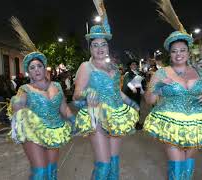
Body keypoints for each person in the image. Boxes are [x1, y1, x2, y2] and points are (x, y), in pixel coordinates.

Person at [143, 1, 202, 179]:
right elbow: (149, 100)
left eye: (182, 50)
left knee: (188, 167)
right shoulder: (161, 73)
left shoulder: (201, 72)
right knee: (177, 166)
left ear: (188, 53)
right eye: (174, 51)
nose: (179, 54)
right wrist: (158, 87)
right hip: (171, 123)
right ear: (170, 53)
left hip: (196, 124)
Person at [73, 1, 139, 179]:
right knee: (103, 164)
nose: (100, 48)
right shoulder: (86, 67)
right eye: (95, 45)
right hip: (97, 115)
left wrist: (131, 102)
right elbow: (76, 94)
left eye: (103, 45)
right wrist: (88, 94)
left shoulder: (114, 69)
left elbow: (116, 92)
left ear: (108, 47)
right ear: (90, 48)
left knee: (115, 163)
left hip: (116, 115)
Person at [8, 17, 73, 180]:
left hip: (54, 130)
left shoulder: (57, 86)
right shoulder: (25, 89)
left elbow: (63, 107)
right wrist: (17, 104)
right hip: (33, 132)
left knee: (51, 171)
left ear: (45, 68)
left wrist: (73, 119)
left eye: (39, 66)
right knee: (40, 171)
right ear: (28, 72)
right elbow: (18, 105)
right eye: (32, 67)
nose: (36, 70)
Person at [122, 60, 146, 130]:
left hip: (137, 94)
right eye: (133, 64)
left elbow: (140, 83)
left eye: (135, 64)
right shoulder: (128, 73)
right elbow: (127, 82)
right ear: (130, 66)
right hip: (130, 94)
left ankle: (136, 123)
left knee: (137, 108)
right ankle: (132, 124)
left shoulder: (138, 73)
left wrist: (142, 90)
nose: (134, 65)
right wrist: (133, 88)